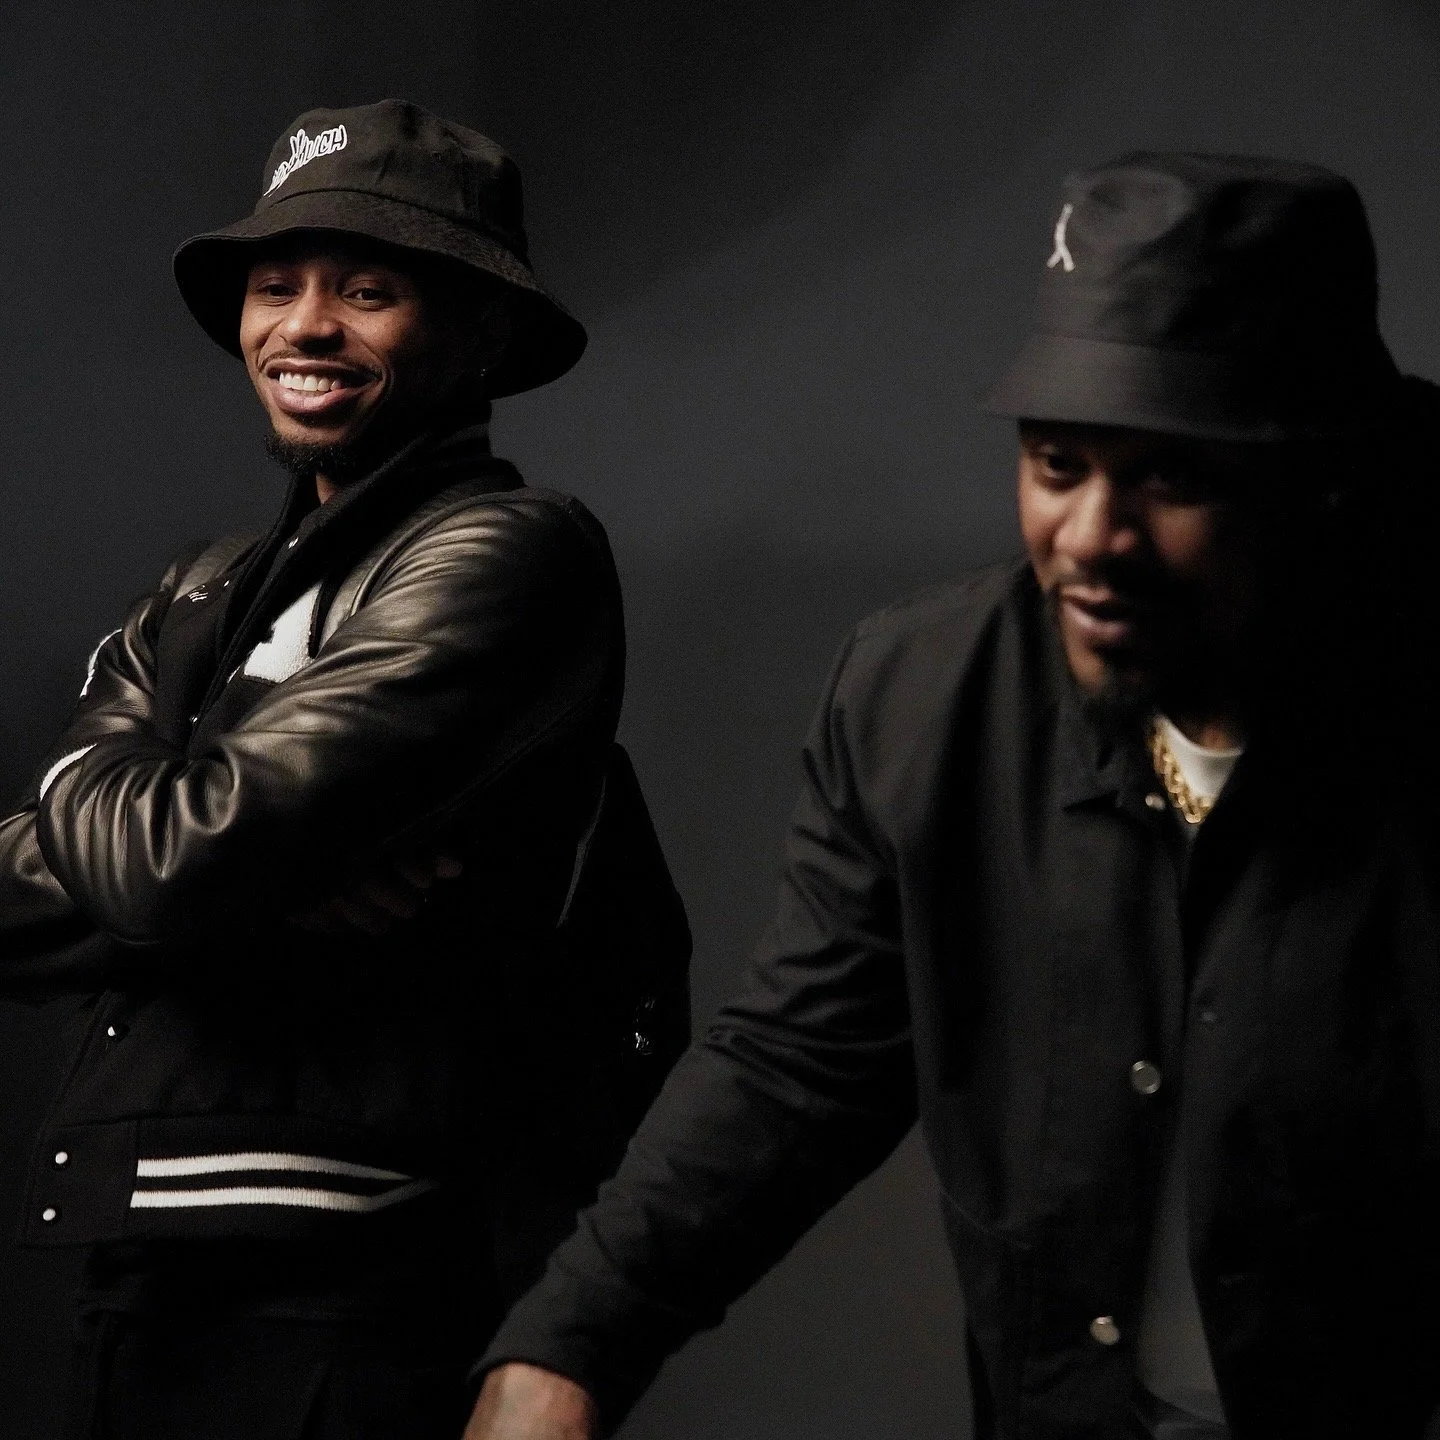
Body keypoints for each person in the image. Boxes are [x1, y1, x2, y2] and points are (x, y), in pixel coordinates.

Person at [465, 154, 1440, 1440]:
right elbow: (801, 1060)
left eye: (1172, 477)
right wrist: (567, 1348)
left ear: (1321, 474)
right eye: (1057, 461)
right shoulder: (925, 699)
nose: (1093, 535)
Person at [0, 99, 689, 1440]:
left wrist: (141, 784)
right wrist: (236, 861)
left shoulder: (506, 553)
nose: (305, 326)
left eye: (368, 290)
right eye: (277, 287)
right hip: (138, 1259)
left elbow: (165, 860)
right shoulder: (209, 585)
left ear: (477, 332)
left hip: (347, 1280)